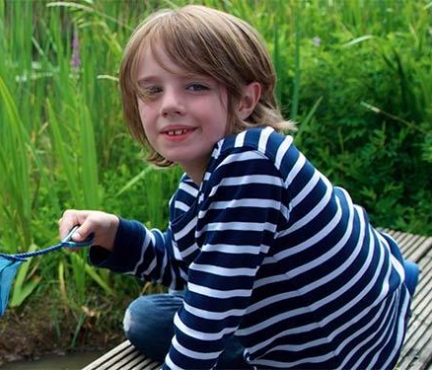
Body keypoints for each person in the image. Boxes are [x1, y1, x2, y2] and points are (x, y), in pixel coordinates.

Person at [57, 5, 419, 369]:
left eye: (195, 86)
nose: (169, 105)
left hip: (336, 353)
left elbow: (210, 309)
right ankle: (397, 276)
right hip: (335, 310)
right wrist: (115, 235)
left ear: (245, 101)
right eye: (152, 90)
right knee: (146, 316)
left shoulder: (253, 164)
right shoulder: (193, 190)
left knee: (174, 326)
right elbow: (188, 266)